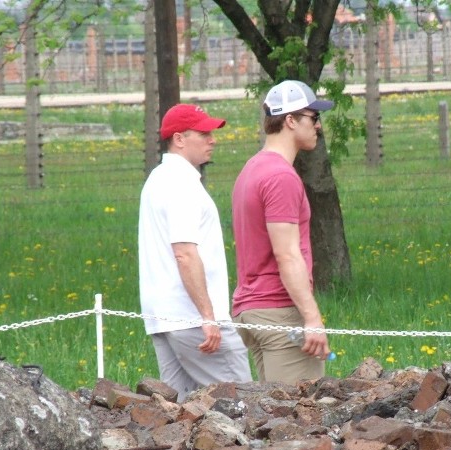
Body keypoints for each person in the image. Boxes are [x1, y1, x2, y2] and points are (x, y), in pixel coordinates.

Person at [138, 103, 252, 402]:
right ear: (179, 139)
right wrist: (208, 316)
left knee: (180, 411)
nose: (212, 139)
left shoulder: (158, 178)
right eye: (204, 133)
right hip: (191, 319)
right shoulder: (181, 183)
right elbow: (185, 253)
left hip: (164, 316)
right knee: (243, 403)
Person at [231, 80, 334, 384]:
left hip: (251, 310)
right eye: (313, 118)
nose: (318, 126)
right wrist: (312, 318)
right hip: (278, 310)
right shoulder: (281, 177)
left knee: (269, 418)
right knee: (298, 420)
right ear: (291, 120)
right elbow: (287, 254)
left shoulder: (252, 169)